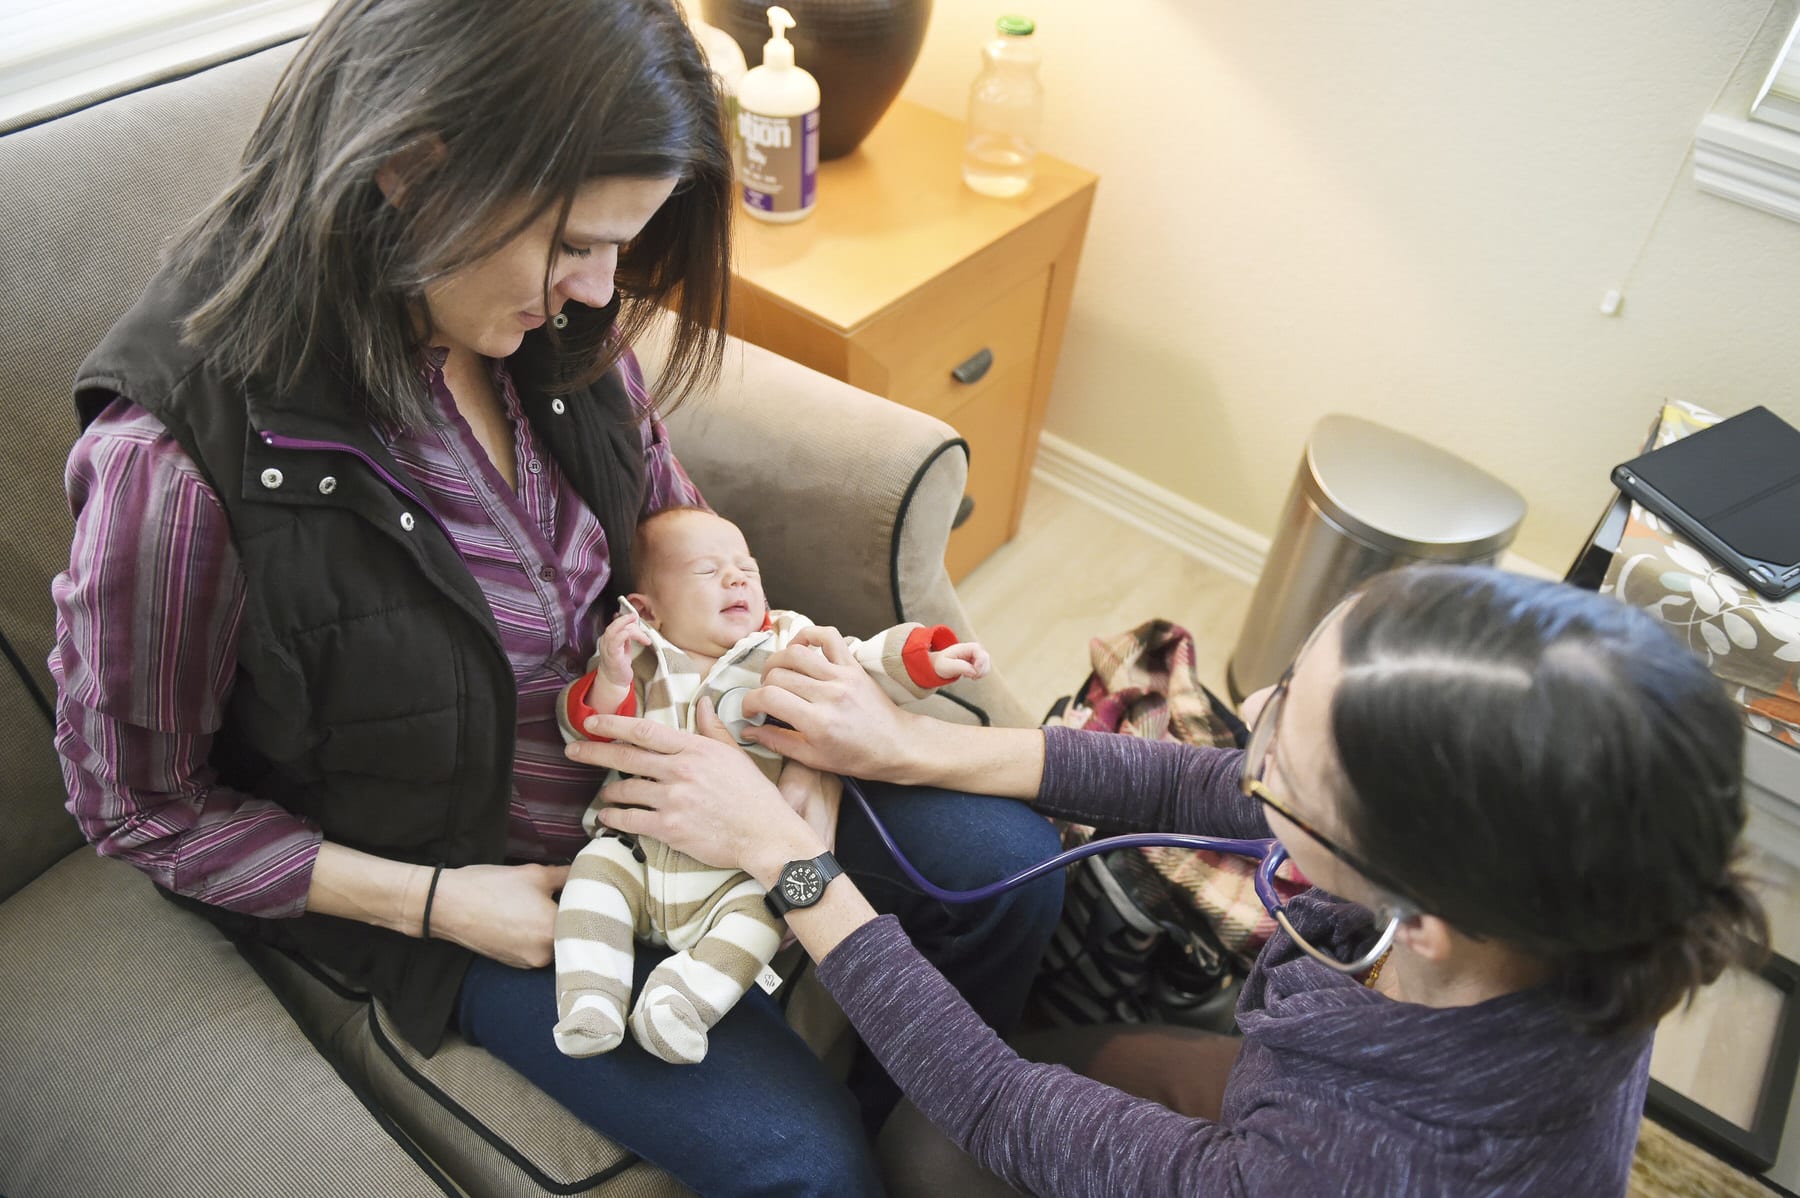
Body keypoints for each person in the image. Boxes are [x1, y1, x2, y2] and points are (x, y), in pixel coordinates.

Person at [47, 2, 1060, 1193]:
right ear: (417, 169)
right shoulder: (173, 468)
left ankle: (928, 1147)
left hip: (681, 754)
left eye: (620, 247)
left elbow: (659, 503)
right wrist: (442, 905)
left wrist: (787, 721)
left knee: (1008, 866)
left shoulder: (533, 315)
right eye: (578, 245)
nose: (598, 293)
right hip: (482, 863)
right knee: (802, 1162)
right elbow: (140, 811)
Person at [568, 564, 1772, 1196]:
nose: (1248, 706)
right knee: (1077, 1055)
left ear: (1419, 923)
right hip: (1308, 1085)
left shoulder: (1345, 1170)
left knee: (936, 1156)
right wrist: (912, 745)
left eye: (1291, 738)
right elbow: (1223, 786)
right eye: (1290, 681)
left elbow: (999, 1108)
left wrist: (787, 859)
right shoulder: (1588, 892)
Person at [552, 505, 989, 1064]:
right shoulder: (639, 657)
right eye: (708, 571)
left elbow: (859, 662)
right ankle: (592, 998)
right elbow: (582, 722)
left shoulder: (784, 641)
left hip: (738, 869)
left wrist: (927, 657)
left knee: (772, 912)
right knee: (591, 878)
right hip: (636, 851)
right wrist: (609, 677)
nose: (737, 578)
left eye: (747, 568)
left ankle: (681, 1004)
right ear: (647, 609)